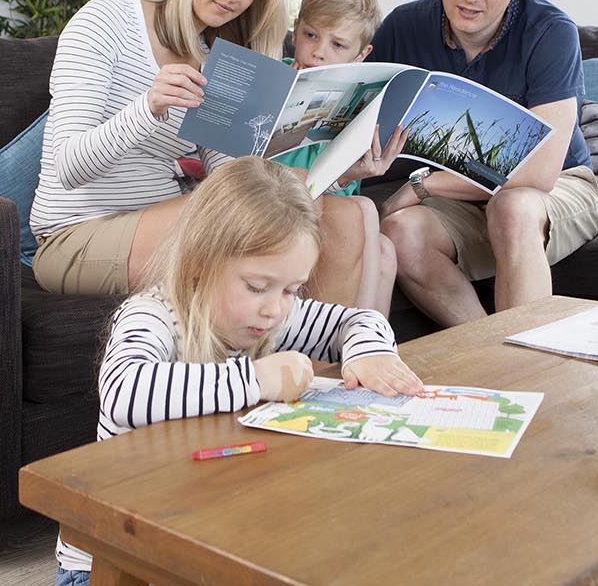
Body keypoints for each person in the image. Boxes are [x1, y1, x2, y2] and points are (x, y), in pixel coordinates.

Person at [52, 156, 424, 585]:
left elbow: (356, 321)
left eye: (292, 289)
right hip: (115, 562)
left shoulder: (272, 313)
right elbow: (124, 392)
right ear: (199, 264)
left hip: (200, 539)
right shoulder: (152, 315)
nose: (275, 308)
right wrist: (256, 379)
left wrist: (368, 352)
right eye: (256, 287)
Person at [371, 0, 598, 327]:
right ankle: (485, 350)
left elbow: (539, 173)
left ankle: (524, 365)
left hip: (559, 186)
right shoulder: (403, 27)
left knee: (512, 207)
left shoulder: (551, 31)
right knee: (400, 233)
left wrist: (423, 185)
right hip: (461, 196)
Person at [30, 0, 288, 295]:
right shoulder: (106, 20)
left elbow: (226, 180)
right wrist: (148, 107)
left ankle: (336, 356)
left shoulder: (215, 60)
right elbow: (69, 167)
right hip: (74, 235)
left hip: (163, 220)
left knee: (332, 212)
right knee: (227, 215)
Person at [271, 0, 404, 313]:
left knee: (385, 252)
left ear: (361, 55)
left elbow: (343, 188)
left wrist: (353, 172)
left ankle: (367, 346)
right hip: (280, 205)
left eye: (338, 45)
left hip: (332, 209)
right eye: (310, 35)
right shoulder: (273, 82)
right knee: (363, 210)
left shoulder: (359, 102)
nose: (319, 51)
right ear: (295, 30)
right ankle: (352, 344)